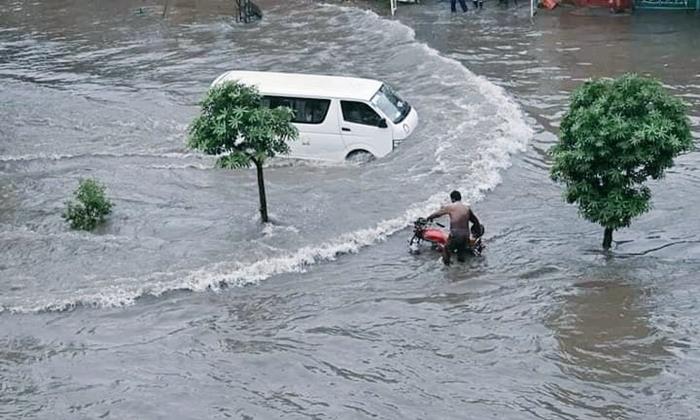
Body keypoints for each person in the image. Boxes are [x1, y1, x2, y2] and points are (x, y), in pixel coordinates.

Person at [427, 190, 482, 265]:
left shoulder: (451, 207)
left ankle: (447, 269)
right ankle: (462, 271)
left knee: (446, 250)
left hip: (455, 235)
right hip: (466, 236)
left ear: (452, 199)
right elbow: (475, 221)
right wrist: (478, 232)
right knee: (461, 253)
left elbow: (438, 214)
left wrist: (429, 218)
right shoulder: (467, 208)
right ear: (460, 198)